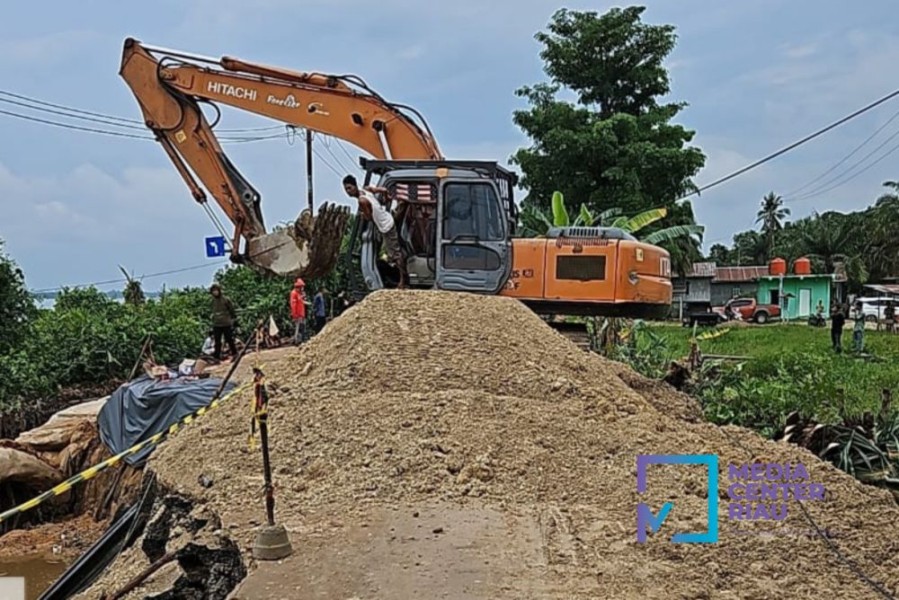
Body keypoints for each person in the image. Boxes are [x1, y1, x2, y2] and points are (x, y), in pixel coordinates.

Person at [343, 174, 407, 288]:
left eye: (349, 188)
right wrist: (387, 197)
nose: (348, 191)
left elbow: (369, 218)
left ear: (355, 185)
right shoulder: (366, 190)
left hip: (386, 226)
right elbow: (383, 189)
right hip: (387, 219)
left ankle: (403, 280)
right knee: (391, 253)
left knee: (394, 255)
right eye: (346, 189)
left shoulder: (362, 201)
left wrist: (362, 215)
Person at [209, 283, 238, 361]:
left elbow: (231, 310)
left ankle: (235, 353)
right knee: (217, 341)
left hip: (226, 323)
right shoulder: (213, 301)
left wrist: (233, 319)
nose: (215, 292)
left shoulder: (225, 299)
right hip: (217, 324)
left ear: (219, 291)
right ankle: (216, 356)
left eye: (216, 290)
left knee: (229, 339)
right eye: (213, 291)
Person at [290, 278, 308, 344]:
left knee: (302, 327)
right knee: (298, 328)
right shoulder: (294, 293)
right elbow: (293, 305)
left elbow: (300, 302)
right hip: (298, 314)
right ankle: (296, 340)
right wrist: (295, 314)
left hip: (301, 313)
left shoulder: (299, 294)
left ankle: (301, 339)